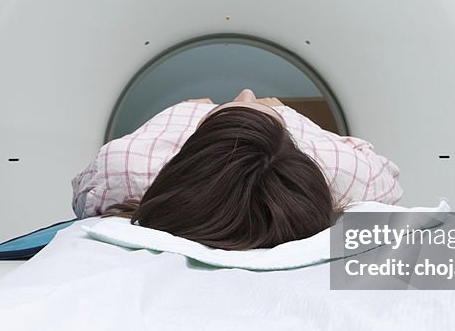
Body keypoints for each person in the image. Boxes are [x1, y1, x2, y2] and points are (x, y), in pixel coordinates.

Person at [72, 89, 403, 250]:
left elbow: (82, 197)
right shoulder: (346, 174)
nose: (247, 92)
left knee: (197, 102)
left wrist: (196, 111)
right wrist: (279, 112)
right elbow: (385, 176)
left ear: (190, 144)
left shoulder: (127, 167)